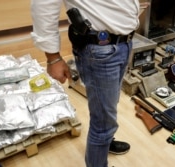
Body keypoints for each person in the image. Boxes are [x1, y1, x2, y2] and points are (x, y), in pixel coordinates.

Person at [30, 1, 140, 167]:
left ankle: (106, 142)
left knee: (108, 105)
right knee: (103, 122)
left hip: (123, 43)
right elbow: (43, 4)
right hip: (100, 48)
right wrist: (53, 58)